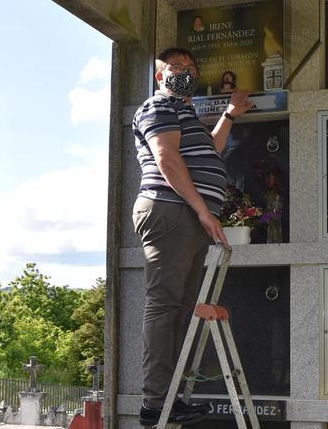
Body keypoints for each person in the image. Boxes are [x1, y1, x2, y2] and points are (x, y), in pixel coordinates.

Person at [132, 47, 253, 426]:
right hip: (171, 210)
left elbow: (210, 150)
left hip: (186, 216)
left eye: (189, 67)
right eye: (175, 67)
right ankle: (154, 403)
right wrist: (203, 210)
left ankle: (169, 397)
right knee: (166, 305)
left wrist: (229, 116)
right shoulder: (158, 106)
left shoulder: (186, 113)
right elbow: (167, 159)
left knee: (182, 309)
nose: (184, 72)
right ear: (159, 75)